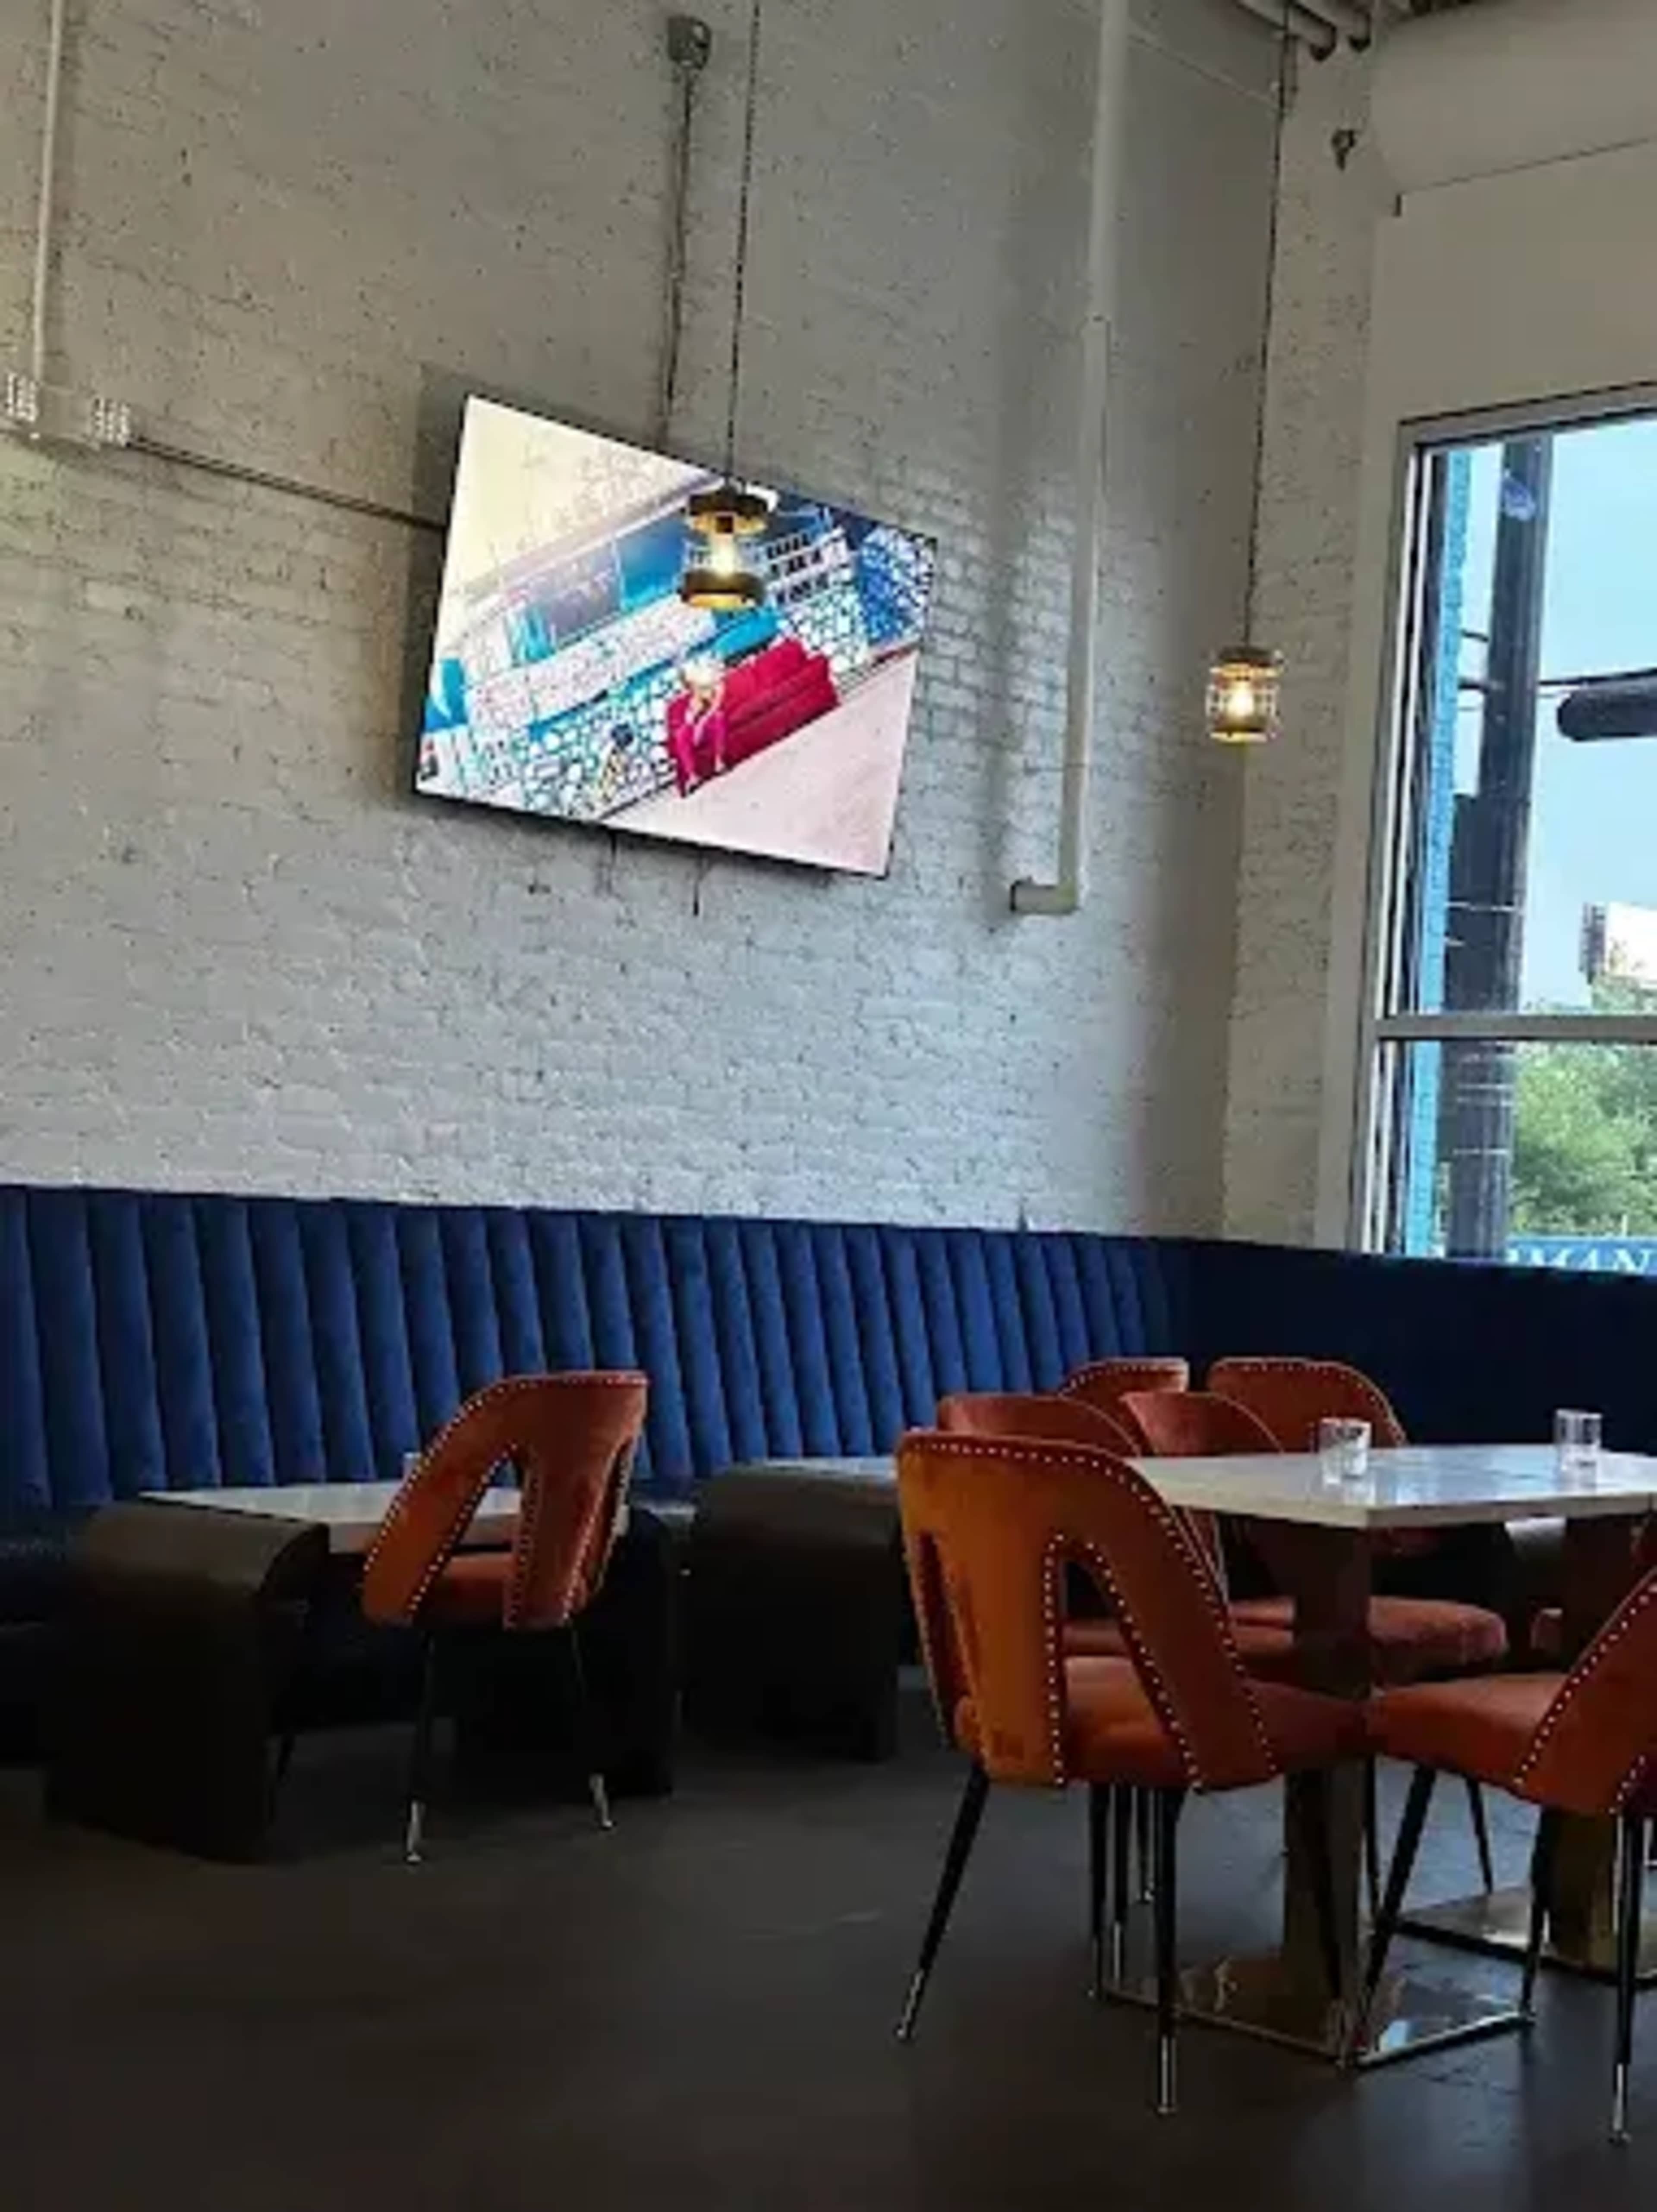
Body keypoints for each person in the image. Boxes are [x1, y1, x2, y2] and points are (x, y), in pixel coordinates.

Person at [667, 655, 728, 796]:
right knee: (681, 734)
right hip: (696, 731)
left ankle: (719, 763)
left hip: (708, 727)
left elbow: (715, 708)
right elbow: (690, 718)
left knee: (719, 717)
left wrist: (700, 726)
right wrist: (693, 724)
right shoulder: (697, 693)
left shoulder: (719, 688)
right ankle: (693, 777)